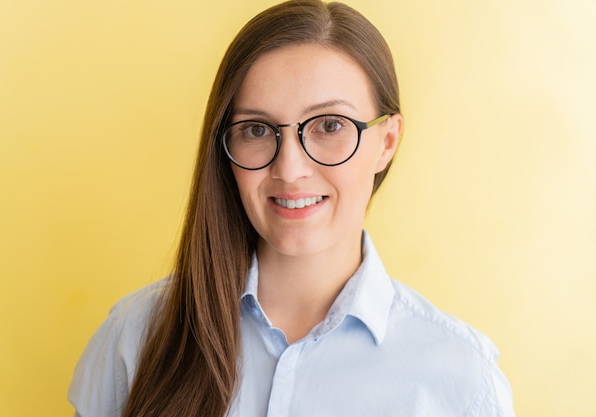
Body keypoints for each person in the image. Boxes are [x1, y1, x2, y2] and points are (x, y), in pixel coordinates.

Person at [69, 1, 515, 416]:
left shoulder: (462, 381)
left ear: (387, 142)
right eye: (257, 129)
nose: (290, 168)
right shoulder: (132, 338)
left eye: (329, 125)